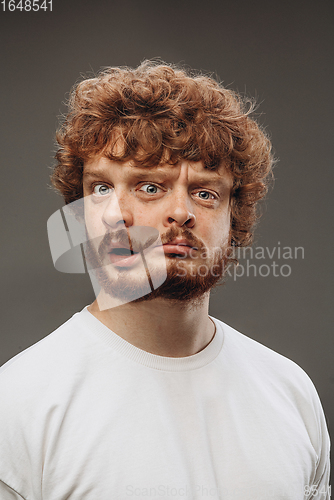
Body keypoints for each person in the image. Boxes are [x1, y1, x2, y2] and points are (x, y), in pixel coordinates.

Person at [0, 61, 330, 500]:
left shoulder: (291, 393)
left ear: (235, 217)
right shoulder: (19, 404)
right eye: (151, 188)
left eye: (205, 192)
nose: (181, 212)